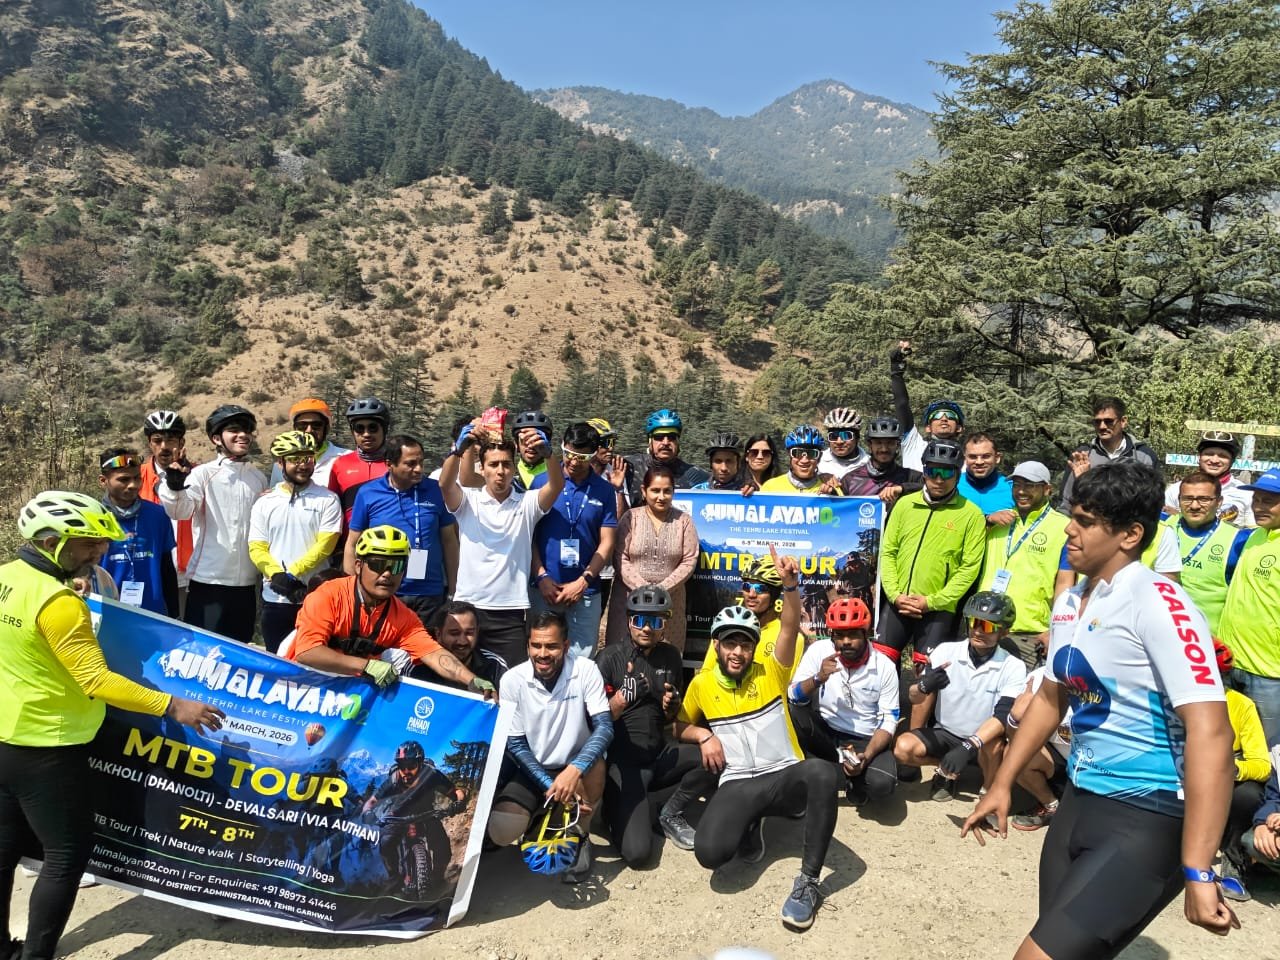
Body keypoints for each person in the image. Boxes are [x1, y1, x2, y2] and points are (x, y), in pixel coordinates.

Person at [962, 461, 1238, 960]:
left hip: (1147, 813)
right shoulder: (1071, 602)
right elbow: (1050, 699)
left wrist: (1199, 868)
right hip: (1080, 801)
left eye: (1086, 521)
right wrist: (1001, 783)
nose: (1070, 529)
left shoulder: (1161, 602)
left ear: (1131, 535)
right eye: (1073, 516)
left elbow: (1213, 734)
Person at [0, 491, 224, 960]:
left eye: (101, 543)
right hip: (49, 744)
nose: (100, 552)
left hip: (6, 735)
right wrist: (171, 705)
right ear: (50, 541)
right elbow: (96, 680)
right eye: (88, 543)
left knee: (3, 850)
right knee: (66, 855)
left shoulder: (7, 578)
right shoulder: (58, 603)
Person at [676, 549, 839, 931]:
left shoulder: (771, 671)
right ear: (716, 645)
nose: (737, 652)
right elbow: (678, 726)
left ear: (754, 647)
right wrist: (703, 735)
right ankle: (750, 821)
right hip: (738, 782)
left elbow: (789, 626)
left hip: (783, 776)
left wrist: (791, 586)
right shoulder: (702, 685)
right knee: (710, 854)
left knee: (822, 774)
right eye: (729, 644)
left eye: (745, 645)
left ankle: (808, 882)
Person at [286, 526, 492, 695]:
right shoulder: (327, 595)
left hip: (349, 694)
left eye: (396, 567)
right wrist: (365, 666)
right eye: (378, 564)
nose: (387, 574)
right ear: (358, 565)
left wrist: (472, 680)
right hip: (300, 686)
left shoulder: (404, 617)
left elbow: (435, 654)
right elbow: (307, 652)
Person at [488, 613, 613, 884]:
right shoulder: (511, 680)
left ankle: (581, 836)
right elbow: (516, 745)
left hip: (576, 766)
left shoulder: (586, 669)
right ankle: (543, 818)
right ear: (528, 645)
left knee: (596, 765)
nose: (543, 654)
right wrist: (549, 785)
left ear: (566, 646)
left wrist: (574, 769)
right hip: (534, 768)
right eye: (536, 645)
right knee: (501, 830)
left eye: (552, 646)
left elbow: (604, 727)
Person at [596, 587, 710, 864]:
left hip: (659, 754)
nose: (647, 628)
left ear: (664, 626)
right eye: (640, 620)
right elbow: (592, 723)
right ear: (629, 622)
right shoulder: (608, 658)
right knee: (637, 855)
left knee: (714, 758)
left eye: (655, 622)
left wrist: (672, 707)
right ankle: (614, 808)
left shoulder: (671, 656)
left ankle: (665, 809)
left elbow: (671, 720)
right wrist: (620, 700)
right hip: (624, 764)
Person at [877, 439, 987, 718]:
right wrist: (894, 595)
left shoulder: (971, 514)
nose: (939, 479)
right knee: (881, 665)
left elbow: (969, 568)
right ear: (923, 471)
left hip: (938, 608)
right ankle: (881, 724)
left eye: (947, 472)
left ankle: (915, 737)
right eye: (932, 471)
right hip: (898, 602)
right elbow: (888, 552)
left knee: (926, 674)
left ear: (958, 474)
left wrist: (932, 601)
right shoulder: (905, 504)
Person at [440, 422, 563, 666]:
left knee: (511, 679)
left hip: (511, 610)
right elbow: (444, 484)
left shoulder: (527, 503)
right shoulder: (468, 501)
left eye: (506, 464)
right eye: (493, 464)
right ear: (482, 468)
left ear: (513, 468)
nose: (500, 471)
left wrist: (549, 455)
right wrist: (458, 451)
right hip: (468, 608)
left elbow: (557, 485)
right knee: (463, 676)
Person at [895, 591, 1027, 801]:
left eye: (988, 626)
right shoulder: (946, 651)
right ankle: (945, 769)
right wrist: (923, 686)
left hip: (984, 740)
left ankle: (989, 792)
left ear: (1004, 632)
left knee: (995, 745)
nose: (978, 631)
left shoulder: (1013, 666)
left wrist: (968, 746)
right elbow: (914, 698)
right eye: (974, 622)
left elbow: (1003, 717)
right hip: (946, 732)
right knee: (903, 748)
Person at [160, 404, 268, 644]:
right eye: (234, 430)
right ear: (216, 438)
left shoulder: (258, 478)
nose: (243, 435)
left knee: (239, 650)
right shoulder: (203, 474)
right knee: (203, 651)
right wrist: (175, 487)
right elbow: (180, 511)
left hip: (246, 584)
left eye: (247, 430)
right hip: (208, 581)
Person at [788, 598, 899, 806]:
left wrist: (866, 756)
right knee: (792, 711)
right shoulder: (819, 651)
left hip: (864, 739)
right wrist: (818, 678)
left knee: (882, 784)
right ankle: (844, 776)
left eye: (853, 634)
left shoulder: (885, 666)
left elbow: (888, 722)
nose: (846, 641)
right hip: (827, 733)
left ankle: (837, 774)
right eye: (839, 635)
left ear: (866, 633)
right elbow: (793, 695)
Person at [345, 433, 458, 629]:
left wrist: (454, 590)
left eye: (421, 462)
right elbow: (352, 544)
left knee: (425, 647)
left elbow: (450, 541)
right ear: (390, 464)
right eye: (411, 464)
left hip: (429, 594)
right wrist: (353, 589)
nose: (419, 469)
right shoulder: (369, 493)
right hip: (385, 592)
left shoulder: (436, 490)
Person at [248, 431, 342, 653]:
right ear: (280, 463)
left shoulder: (328, 499)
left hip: (315, 597)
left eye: (308, 458)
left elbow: (325, 545)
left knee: (315, 662)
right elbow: (257, 547)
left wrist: (291, 574)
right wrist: (277, 575)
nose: (303, 465)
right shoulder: (265, 502)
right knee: (277, 661)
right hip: (276, 598)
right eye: (295, 459)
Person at [531, 422, 618, 658]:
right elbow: (528, 536)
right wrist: (541, 576)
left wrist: (583, 582)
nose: (573, 461)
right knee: (542, 657)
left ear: (593, 455)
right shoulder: (540, 482)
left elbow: (607, 542)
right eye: (568, 453)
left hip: (585, 592)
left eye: (582, 457)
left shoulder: (604, 490)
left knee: (581, 662)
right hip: (544, 589)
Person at [977, 461, 1075, 669]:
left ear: (1047, 489)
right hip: (985, 624)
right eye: (1017, 485)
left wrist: (1056, 630)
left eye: (1030, 485)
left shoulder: (1063, 527)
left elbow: (1065, 583)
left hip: (1031, 633)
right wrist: (986, 520)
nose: (1021, 491)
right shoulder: (998, 521)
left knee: (1028, 689)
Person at [605, 464, 699, 653]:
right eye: (655, 490)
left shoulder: (684, 521)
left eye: (667, 491)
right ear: (644, 491)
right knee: (623, 656)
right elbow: (619, 556)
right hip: (629, 598)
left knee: (664, 659)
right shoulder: (630, 518)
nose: (661, 497)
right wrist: (644, 589)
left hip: (669, 600)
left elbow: (690, 559)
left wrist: (660, 590)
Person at [1217, 466, 1280, 746]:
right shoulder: (1253, 537)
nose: (1259, 507)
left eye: (1269, 501)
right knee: (1228, 744)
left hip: (1269, 673)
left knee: (1265, 749)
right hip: (1231, 661)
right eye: (1256, 499)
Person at [361, 742, 465, 894]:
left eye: (411, 766)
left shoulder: (432, 776)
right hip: (397, 816)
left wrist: (459, 802)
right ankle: (394, 877)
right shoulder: (394, 779)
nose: (406, 771)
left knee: (443, 849)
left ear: (420, 763)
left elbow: (455, 792)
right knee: (386, 843)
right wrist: (367, 813)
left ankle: (437, 878)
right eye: (402, 766)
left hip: (426, 814)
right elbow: (372, 801)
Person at [1213, 639, 1270, 901]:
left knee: (1248, 794)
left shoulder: (1240, 705)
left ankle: (1233, 861)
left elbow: (1262, 765)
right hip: (1179, 771)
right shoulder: (1169, 701)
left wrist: (1232, 768)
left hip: (1227, 772)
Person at [1162, 470, 1250, 636]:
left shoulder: (1239, 540)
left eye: (1204, 499)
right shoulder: (1161, 527)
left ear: (1219, 502)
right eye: (1187, 498)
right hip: (1159, 632)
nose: (1194, 506)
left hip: (1206, 640)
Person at [97, 448, 178, 616]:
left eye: (137, 478)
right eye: (124, 479)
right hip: (106, 611)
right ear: (103, 481)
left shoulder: (158, 515)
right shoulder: (92, 519)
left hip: (153, 613)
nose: (133, 485)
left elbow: (166, 568)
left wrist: (174, 612)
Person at [700, 553, 800, 673]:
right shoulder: (726, 627)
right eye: (747, 587)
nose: (751, 594)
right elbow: (706, 674)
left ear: (774, 595)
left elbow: (784, 680)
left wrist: (790, 585)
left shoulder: (790, 637)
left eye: (760, 589)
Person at [1058, 396, 1158, 513]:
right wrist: (1083, 480)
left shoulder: (1144, 456)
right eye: (1097, 422)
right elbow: (1065, 504)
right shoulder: (1082, 456)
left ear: (1123, 421)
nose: (1102, 426)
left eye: (1108, 421)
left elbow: (1153, 503)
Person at [138, 410, 195, 614]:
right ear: (149, 443)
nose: (164, 446)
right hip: (149, 568)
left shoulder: (198, 474)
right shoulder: (136, 477)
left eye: (170, 440)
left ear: (181, 442)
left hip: (188, 572)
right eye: (157, 440)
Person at [1004, 667, 1072, 832]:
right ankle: (1051, 805)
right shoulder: (1038, 677)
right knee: (1014, 752)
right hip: (1058, 758)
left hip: (1096, 768)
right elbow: (1017, 740)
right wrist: (1014, 720)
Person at [888, 340, 965, 472]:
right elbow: (902, 404)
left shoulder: (971, 460)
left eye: (951, 415)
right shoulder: (914, 445)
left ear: (959, 428)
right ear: (928, 427)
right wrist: (896, 370)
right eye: (937, 415)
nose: (944, 419)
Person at [327, 397, 392, 531]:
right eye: (359, 428)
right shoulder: (340, 464)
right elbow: (331, 507)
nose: (366, 434)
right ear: (353, 432)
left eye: (373, 427)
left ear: (384, 429)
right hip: (350, 540)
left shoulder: (396, 463)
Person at [621, 409, 709, 506]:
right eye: (659, 437)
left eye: (671, 437)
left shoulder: (695, 476)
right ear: (650, 441)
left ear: (678, 442)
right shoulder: (628, 466)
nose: (666, 442)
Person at [1165, 431, 1253, 526]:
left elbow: (1253, 531)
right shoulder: (1175, 490)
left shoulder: (1246, 493)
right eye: (1209, 454)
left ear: (1232, 461)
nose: (1214, 460)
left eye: (1222, 456)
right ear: (1199, 457)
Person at [416, 600, 506, 690]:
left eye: (469, 633)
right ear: (438, 634)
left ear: (477, 632)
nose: (462, 641)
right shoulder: (418, 665)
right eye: (454, 633)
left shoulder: (494, 665)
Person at [839, 415, 923, 512]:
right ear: (869, 445)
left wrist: (903, 488)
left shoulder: (911, 477)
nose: (884, 449)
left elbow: (933, 489)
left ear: (897, 445)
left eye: (890, 443)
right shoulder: (850, 480)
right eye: (878, 443)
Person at [269, 398, 350, 489]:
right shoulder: (281, 463)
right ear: (295, 429)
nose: (309, 430)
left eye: (316, 425)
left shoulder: (347, 458)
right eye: (302, 426)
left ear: (326, 428)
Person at [760, 426, 840, 495]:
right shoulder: (770, 487)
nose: (804, 460)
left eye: (811, 453)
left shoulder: (831, 487)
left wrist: (832, 498)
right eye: (797, 453)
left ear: (819, 457)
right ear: (789, 455)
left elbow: (842, 507)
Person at [958, 433, 1015, 525]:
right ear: (965, 459)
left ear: (997, 458)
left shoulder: (1012, 488)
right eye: (973, 457)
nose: (979, 462)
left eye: (986, 456)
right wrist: (988, 518)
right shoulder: (952, 485)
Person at [817, 408, 867, 480]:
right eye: (833, 436)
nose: (839, 442)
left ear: (857, 438)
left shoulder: (869, 464)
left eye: (846, 435)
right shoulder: (817, 460)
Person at [511, 410, 552, 494]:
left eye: (536, 440)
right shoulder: (508, 473)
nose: (531, 446)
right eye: (525, 440)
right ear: (516, 444)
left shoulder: (557, 474)